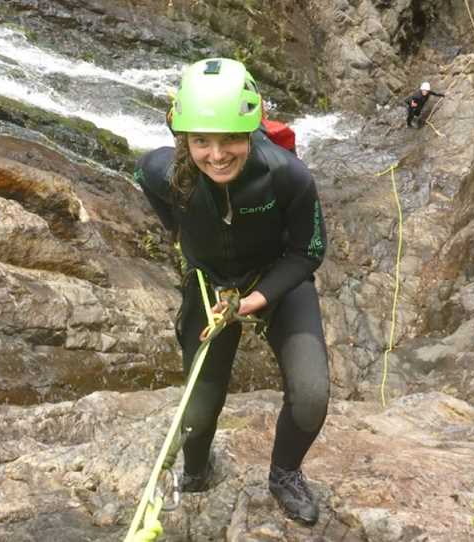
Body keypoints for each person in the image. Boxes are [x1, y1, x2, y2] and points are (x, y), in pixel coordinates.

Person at [133, 58, 330, 526]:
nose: (217, 155)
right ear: (183, 137)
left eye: (230, 140)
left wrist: (253, 302)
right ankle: (197, 469)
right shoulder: (163, 171)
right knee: (198, 408)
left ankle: (285, 474)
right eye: (201, 141)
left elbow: (309, 251)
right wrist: (184, 237)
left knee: (311, 393)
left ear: (251, 131)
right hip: (209, 283)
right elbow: (149, 185)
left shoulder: (287, 176)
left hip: (275, 278)